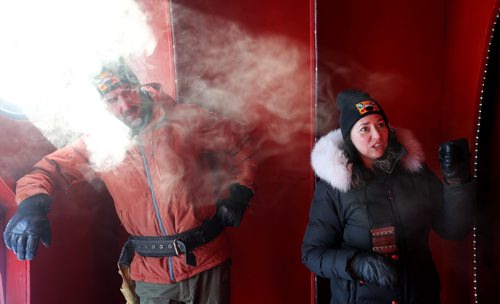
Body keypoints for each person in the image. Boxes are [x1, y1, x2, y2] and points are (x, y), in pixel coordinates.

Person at [3, 58, 256, 304]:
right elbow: (44, 172)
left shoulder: (187, 119)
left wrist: (240, 190)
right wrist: (32, 205)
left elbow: (242, 145)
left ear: (138, 86)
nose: (125, 105)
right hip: (151, 275)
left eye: (128, 92)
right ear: (103, 105)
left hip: (208, 263)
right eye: (112, 99)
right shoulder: (99, 142)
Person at [301, 89, 476, 304]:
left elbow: (454, 229)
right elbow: (312, 254)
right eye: (364, 129)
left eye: (381, 124)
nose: (377, 135)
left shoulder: (414, 171)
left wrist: (457, 180)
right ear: (349, 137)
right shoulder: (335, 187)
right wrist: (356, 264)